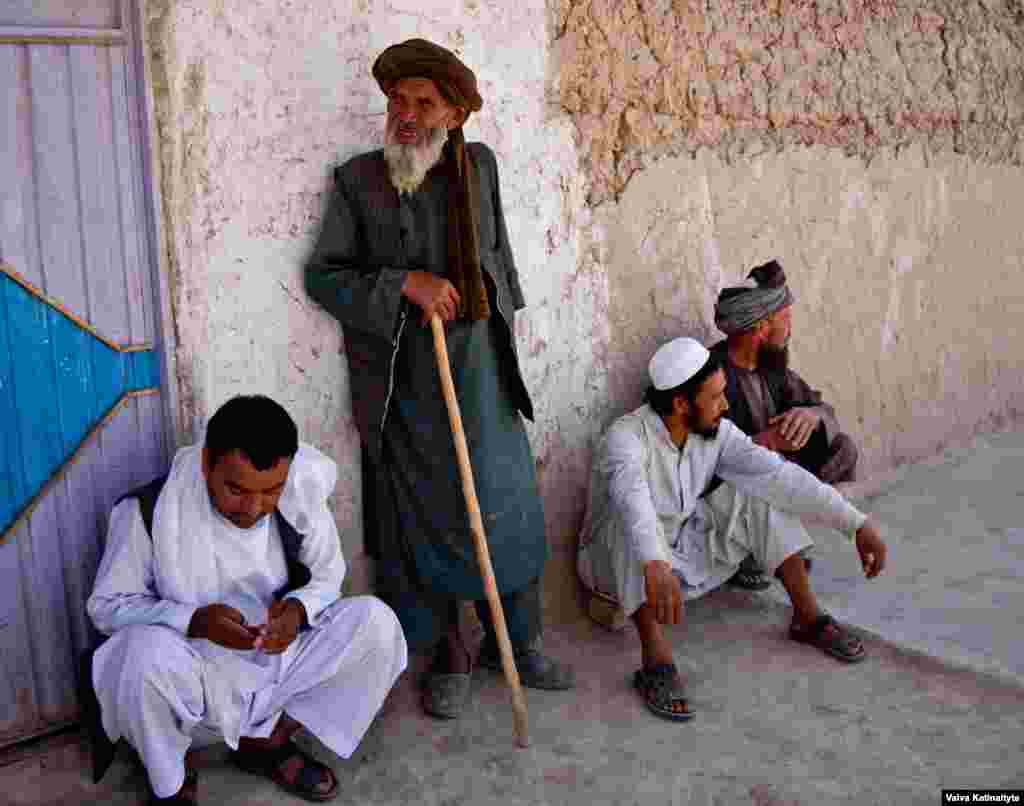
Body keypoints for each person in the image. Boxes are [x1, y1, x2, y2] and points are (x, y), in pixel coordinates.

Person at [303, 38, 573, 721]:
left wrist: (489, 306)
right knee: (423, 517)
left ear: (454, 113)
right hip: (406, 379)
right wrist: (405, 285)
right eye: (398, 100)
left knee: (503, 504)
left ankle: (516, 639)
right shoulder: (357, 181)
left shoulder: (479, 168)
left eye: (425, 103)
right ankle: (447, 651)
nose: (408, 114)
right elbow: (325, 275)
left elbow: (500, 255)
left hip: (482, 368)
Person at [86, 395, 407, 805]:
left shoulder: (299, 491)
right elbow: (107, 607)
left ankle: (268, 742)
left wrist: (297, 610)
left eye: (270, 490)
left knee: (376, 625)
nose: (253, 508)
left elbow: (329, 576)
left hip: (273, 661)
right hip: (192, 675)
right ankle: (172, 782)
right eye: (235, 489)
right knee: (138, 656)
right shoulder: (150, 511)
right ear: (206, 465)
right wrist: (193, 621)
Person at [578, 338, 888, 722]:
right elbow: (633, 503)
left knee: (760, 492)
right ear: (680, 404)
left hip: (676, 553)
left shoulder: (716, 433)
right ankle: (656, 664)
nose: (725, 406)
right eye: (716, 397)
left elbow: (780, 476)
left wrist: (855, 524)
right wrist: (655, 564)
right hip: (616, 565)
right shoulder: (625, 439)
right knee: (633, 529)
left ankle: (807, 616)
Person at [710, 259, 860, 589]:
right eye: (786, 319)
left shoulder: (773, 369)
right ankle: (748, 552)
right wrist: (766, 441)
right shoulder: (711, 377)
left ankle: (777, 544)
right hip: (728, 496)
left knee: (840, 449)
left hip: (769, 477)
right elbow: (703, 460)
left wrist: (810, 416)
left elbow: (823, 408)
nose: (790, 329)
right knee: (756, 480)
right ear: (763, 327)